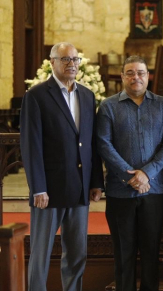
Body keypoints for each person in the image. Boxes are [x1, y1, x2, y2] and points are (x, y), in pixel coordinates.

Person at [20, 42, 104, 291]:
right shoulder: (36, 96)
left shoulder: (87, 96)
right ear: (52, 62)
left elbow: (91, 143)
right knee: (41, 252)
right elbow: (31, 146)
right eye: (65, 59)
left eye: (75, 60)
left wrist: (96, 182)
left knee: (77, 253)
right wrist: (38, 188)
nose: (71, 64)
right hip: (49, 190)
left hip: (79, 187)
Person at [96, 56, 163, 291]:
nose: (136, 77)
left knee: (151, 251)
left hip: (153, 190)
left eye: (140, 72)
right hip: (120, 192)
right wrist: (128, 176)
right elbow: (104, 144)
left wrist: (146, 174)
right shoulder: (109, 106)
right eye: (130, 73)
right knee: (124, 251)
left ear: (148, 76)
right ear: (122, 77)